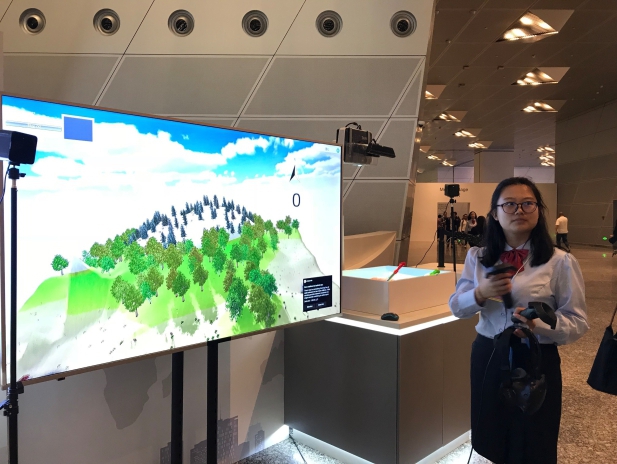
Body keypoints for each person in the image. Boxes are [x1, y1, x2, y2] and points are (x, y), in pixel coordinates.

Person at [449, 177, 588, 464]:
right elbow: (457, 308)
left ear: (538, 210)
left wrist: (539, 327)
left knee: (535, 436)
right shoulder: (478, 257)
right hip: (489, 354)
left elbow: (578, 321)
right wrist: (480, 292)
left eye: (527, 204)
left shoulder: (560, 261)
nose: (519, 210)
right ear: (495, 213)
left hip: (536, 358)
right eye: (509, 204)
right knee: (491, 433)